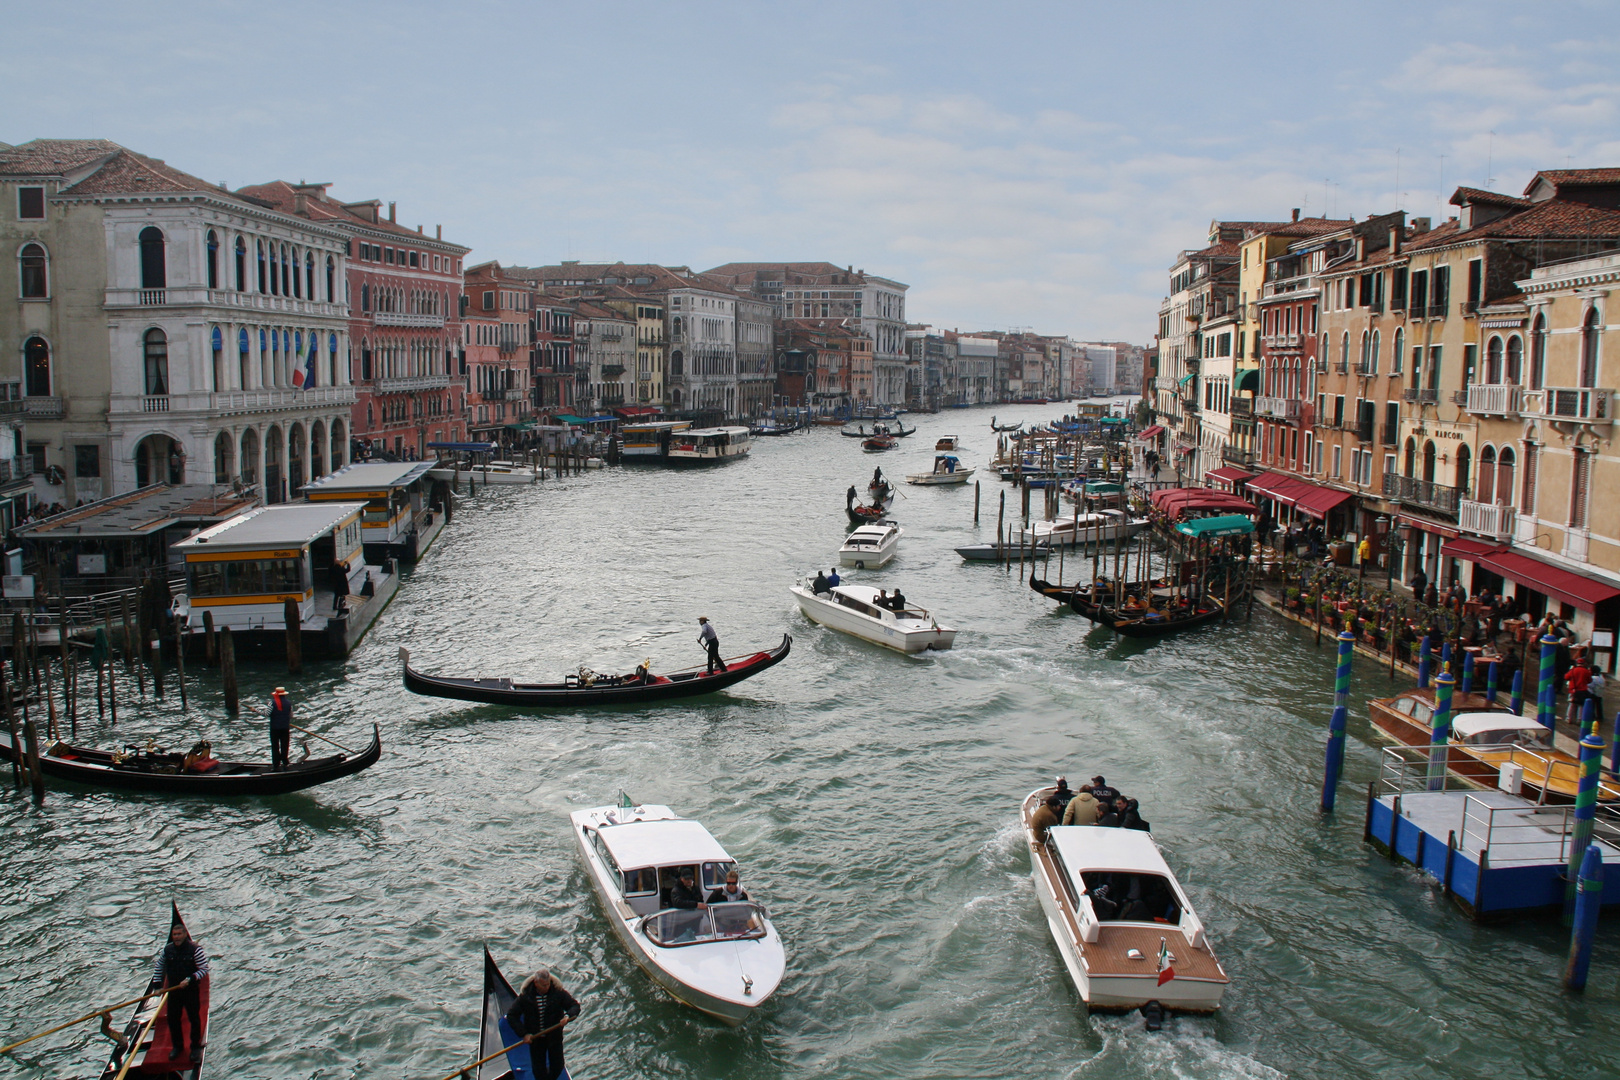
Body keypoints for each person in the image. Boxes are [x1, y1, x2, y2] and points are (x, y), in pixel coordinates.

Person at [504, 968, 580, 1080]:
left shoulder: (558, 993)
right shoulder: (526, 996)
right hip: (536, 1039)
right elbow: (511, 1015)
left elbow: (574, 1006)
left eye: (548, 984)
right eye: (543, 985)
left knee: (558, 1066)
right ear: (536, 983)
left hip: (554, 1037)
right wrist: (524, 1034)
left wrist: (567, 1016)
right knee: (538, 1071)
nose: (547, 987)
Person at [153, 920, 208, 1063]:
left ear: (185, 934)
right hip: (174, 991)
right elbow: (159, 968)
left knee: (193, 1019)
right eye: (174, 934)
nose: (176, 937)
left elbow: (204, 970)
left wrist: (190, 978)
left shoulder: (196, 950)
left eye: (179, 934)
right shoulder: (167, 950)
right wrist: (157, 986)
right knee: (173, 1019)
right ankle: (178, 1047)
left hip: (190, 990)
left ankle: (195, 1047)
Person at [268, 687, 292, 771]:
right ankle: (285, 763)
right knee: (284, 745)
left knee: (275, 746)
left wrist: (255, 710)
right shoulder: (288, 703)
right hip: (285, 728)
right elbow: (291, 715)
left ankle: (276, 765)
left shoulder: (271, 703)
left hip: (275, 728)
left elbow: (267, 713)